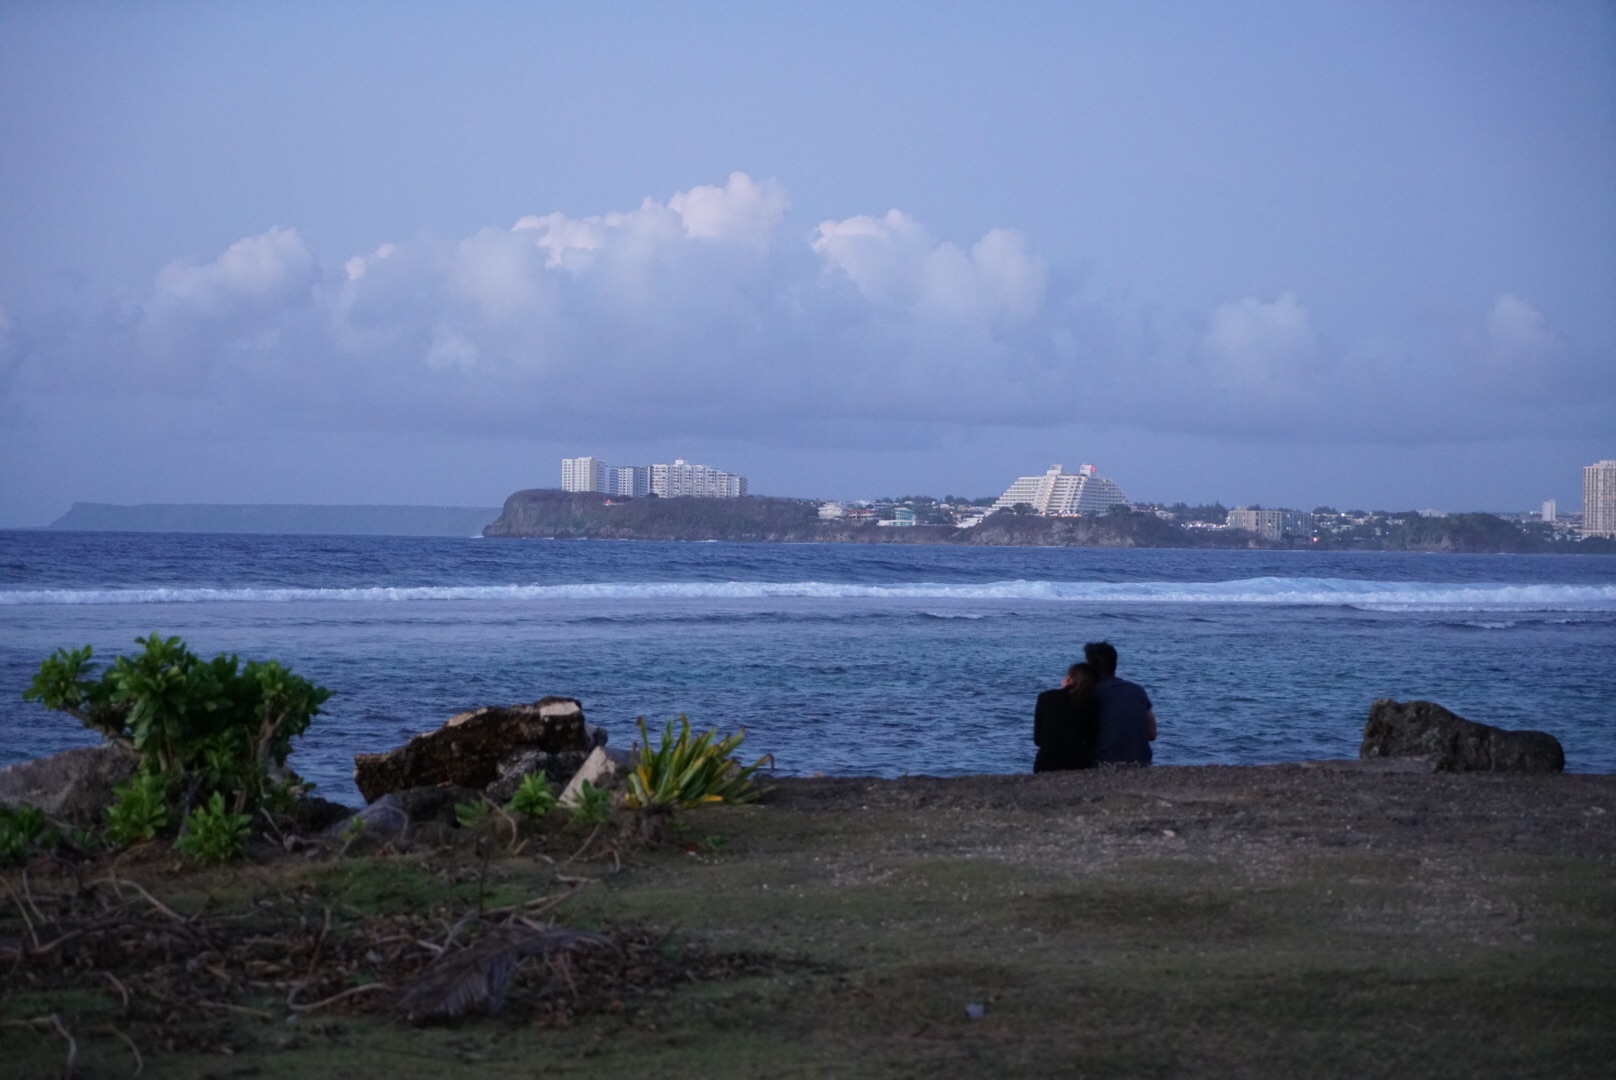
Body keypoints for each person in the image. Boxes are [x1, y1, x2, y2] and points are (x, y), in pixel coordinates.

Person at [1083, 641, 1156, 765]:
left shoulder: (1090, 694)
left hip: (1104, 762)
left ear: (1089, 667)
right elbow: (1151, 733)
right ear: (1115, 664)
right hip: (1142, 762)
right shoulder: (1137, 690)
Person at [1033, 661, 1099, 771]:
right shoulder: (1090, 702)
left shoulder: (1045, 697)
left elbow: (1038, 740)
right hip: (1077, 762)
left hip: (1045, 762)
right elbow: (1091, 741)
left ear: (1068, 679)